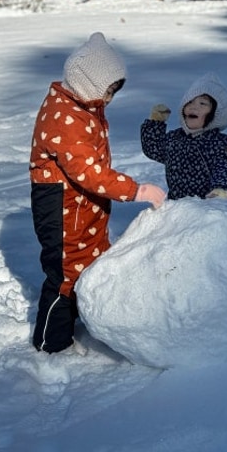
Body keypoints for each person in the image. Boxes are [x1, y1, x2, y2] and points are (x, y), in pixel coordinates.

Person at [30, 32, 166, 353]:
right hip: (61, 206)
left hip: (81, 206)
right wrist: (135, 190)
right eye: (107, 91)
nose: (109, 100)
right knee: (66, 275)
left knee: (91, 259)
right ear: (88, 82)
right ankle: (51, 343)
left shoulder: (80, 105)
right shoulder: (65, 118)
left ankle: (83, 316)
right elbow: (88, 173)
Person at [141, 72, 227, 201]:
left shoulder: (220, 142)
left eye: (202, 104)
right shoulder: (174, 138)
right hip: (177, 205)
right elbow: (153, 149)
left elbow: (226, 167)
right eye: (190, 102)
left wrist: (221, 189)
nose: (194, 106)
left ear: (215, 113)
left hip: (208, 206)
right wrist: (155, 123)